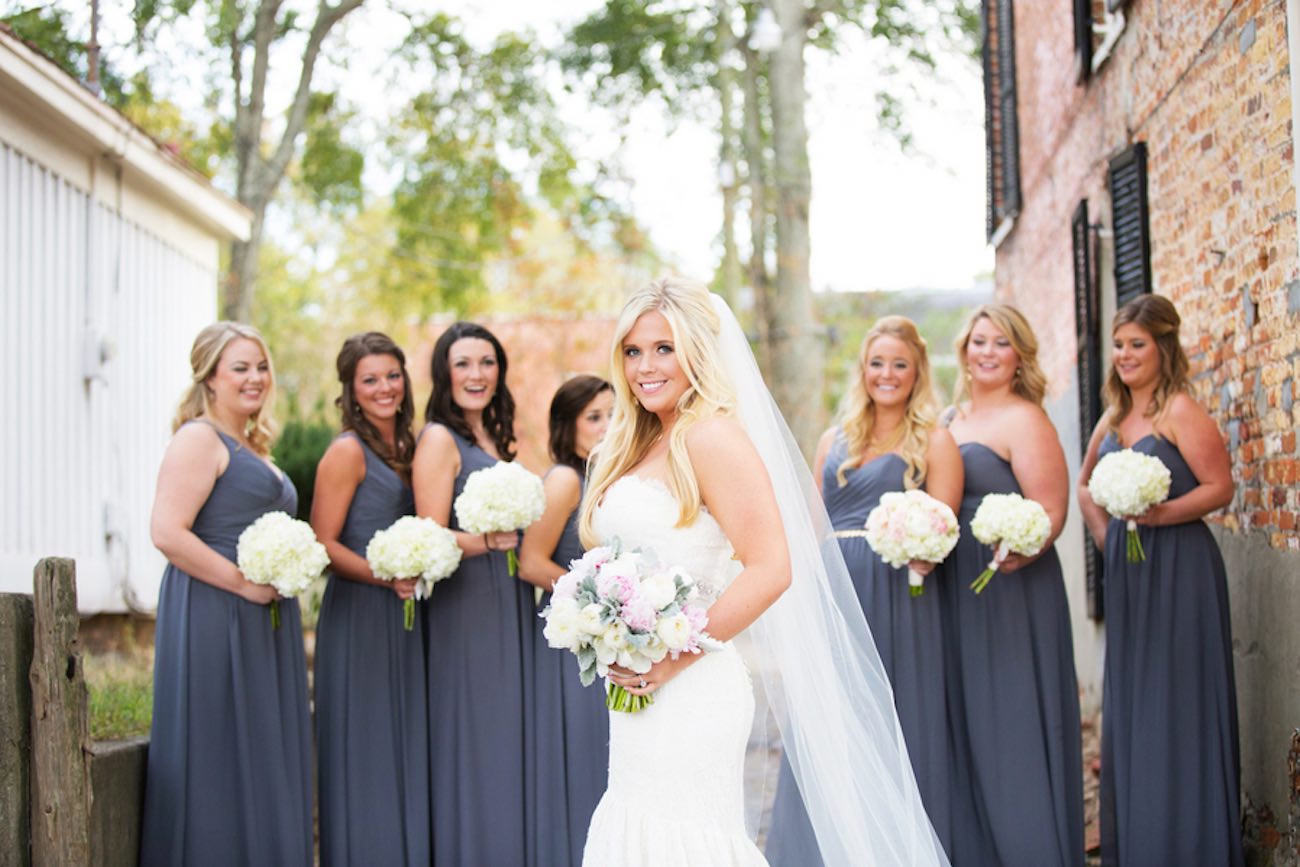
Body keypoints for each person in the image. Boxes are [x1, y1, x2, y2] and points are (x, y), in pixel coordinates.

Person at [579, 277, 950, 867]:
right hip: (638, 691)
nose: (645, 366)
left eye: (664, 348)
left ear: (698, 351)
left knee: (685, 844)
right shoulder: (637, 443)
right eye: (633, 351)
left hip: (691, 683)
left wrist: (675, 656)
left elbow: (773, 567)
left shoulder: (712, 436)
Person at [767, 316, 963, 864]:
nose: (887, 374)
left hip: (903, 594)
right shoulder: (835, 438)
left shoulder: (934, 439)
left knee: (898, 715)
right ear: (863, 370)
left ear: (917, 371)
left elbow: (944, 523)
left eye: (900, 364)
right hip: (836, 591)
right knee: (831, 716)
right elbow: (811, 523)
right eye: (877, 362)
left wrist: (916, 547)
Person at [1078, 294, 1241, 867]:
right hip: (1133, 570)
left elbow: (1220, 488)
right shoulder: (1113, 417)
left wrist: (1159, 516)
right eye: (1119, 345)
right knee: (1136, 699)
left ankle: (1191, 842)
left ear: (1162, 346)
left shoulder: (1179, 410)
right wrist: (1112, 541)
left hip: (1182, 569)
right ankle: (1146, 838)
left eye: (1136, 345)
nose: (1124, 355)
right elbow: (1084, 487)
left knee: (1179, 698)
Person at [141, 322, 312, 867]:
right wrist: (242, 583)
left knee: (261, 752)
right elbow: (168, 532)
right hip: (217, 611)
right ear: (209, 376)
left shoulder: (250, 444)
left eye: (261, 367)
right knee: (217, 750)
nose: (256, 378)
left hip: (262, 616)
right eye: (240, 368)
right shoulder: (198, 438)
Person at [940, 304, 1084, 866]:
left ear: (1020, 355)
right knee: (965, 719)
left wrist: (1022, 549)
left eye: (1001, 344)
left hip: (1011, 586)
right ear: (964, 349)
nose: (988, 353)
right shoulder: (949, 418)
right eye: (979, 341)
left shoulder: (1027, 419)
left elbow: (1052, 508)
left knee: (1012, 721)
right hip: (953, 583)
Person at [411, 321, 534, 866]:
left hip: (504, 597)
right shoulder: (439, 438)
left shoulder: (494, 437)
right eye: (463, 363)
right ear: (444, 372)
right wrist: (486, 541)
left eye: (487, 363)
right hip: (466, 604)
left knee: (504, 740)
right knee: (477, 736)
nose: (476, 374)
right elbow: (427, 533)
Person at [311, 332, 428, 866]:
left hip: (409, 613)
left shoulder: (415, 445)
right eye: (370, 380)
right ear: (351, 391)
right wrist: (386, 578)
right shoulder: (346, 452)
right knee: (366, 746)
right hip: (360, 612)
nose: (385, 388)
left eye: (392, 375)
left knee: (405, 742)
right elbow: (323, 543)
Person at [518, 374, 614, 865]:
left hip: (611, 642)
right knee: (580, 759)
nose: (607, 426)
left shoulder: (611, 479)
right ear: (566, 425)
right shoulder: (565, 479)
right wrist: (598, 602)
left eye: (614, 415)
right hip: (570, 642)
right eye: (594, 417)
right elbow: (531, 562)